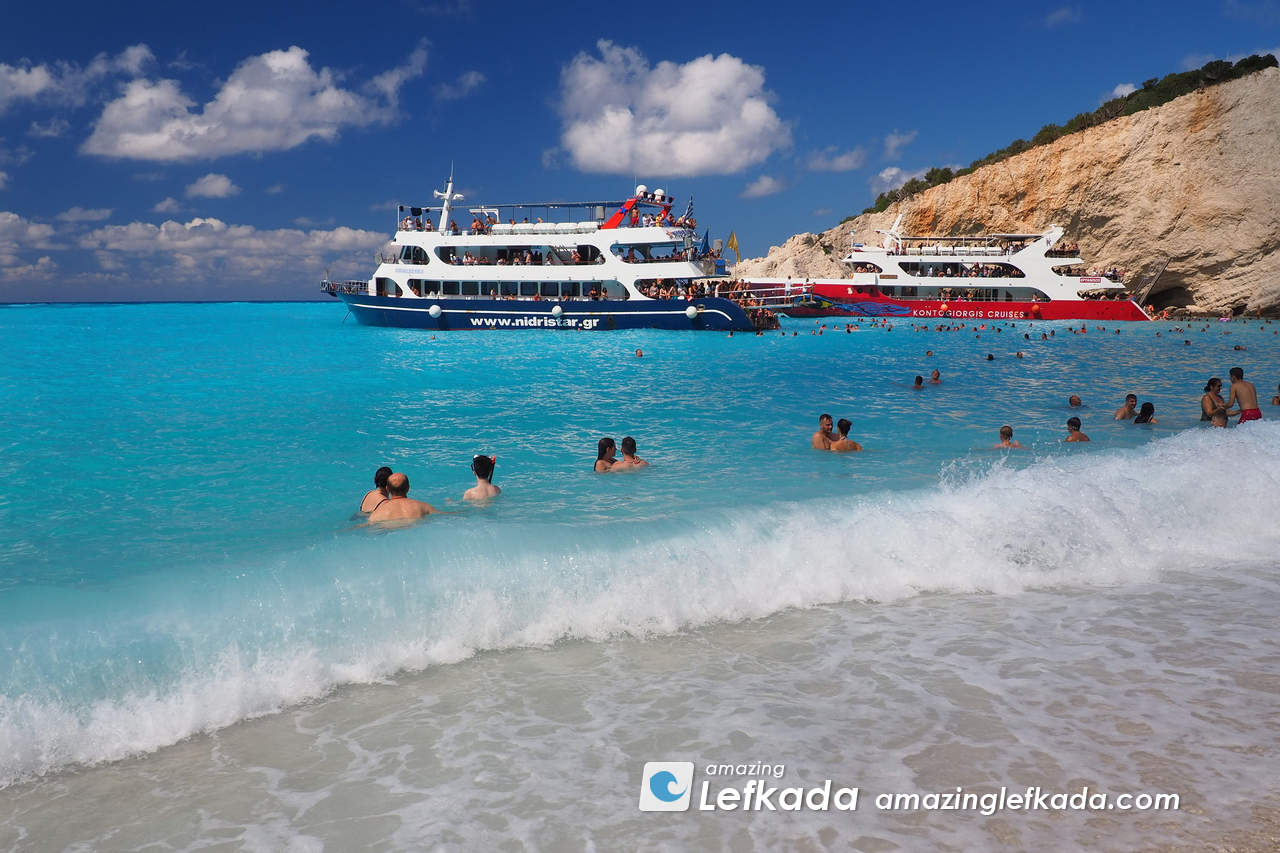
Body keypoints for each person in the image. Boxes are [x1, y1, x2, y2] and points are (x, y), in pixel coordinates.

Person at [366, 473, 439, 524]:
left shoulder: (377, 514)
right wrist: (450, 502)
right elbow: (445, 515)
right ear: (408, 488)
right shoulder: (424, 507)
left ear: (387, 489)